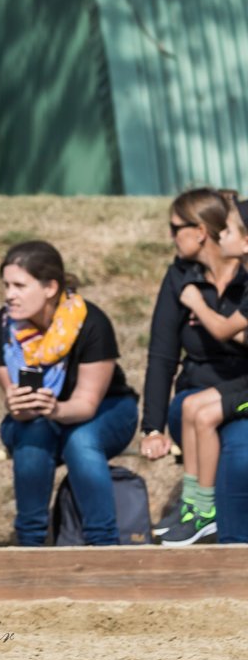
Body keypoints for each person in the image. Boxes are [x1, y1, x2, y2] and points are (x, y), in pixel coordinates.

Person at [0, 241, 139, 546]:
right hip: (39, 419)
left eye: (19, 285)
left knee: (80, 440)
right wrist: (19, 408)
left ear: (50, 287)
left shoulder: (91, 322)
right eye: (6, 285)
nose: (8, 295)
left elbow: (86, 404)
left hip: (108, 409)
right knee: (32, 435)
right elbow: (18, 407)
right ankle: (30, 545)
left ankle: (103, 545)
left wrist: (55, 410)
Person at [141, 188, 248, 544]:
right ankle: (196, 509)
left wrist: (207, 314)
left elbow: (226, 329)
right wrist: (153, 427)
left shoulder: (245, 273)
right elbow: (162, 354)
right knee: (193, 410)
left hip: (240, 393)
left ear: (200, 231)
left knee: (237, 449)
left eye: (175, 228)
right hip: (198, 395)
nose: (170, 236)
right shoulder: (180, 276)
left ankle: (231, 547)